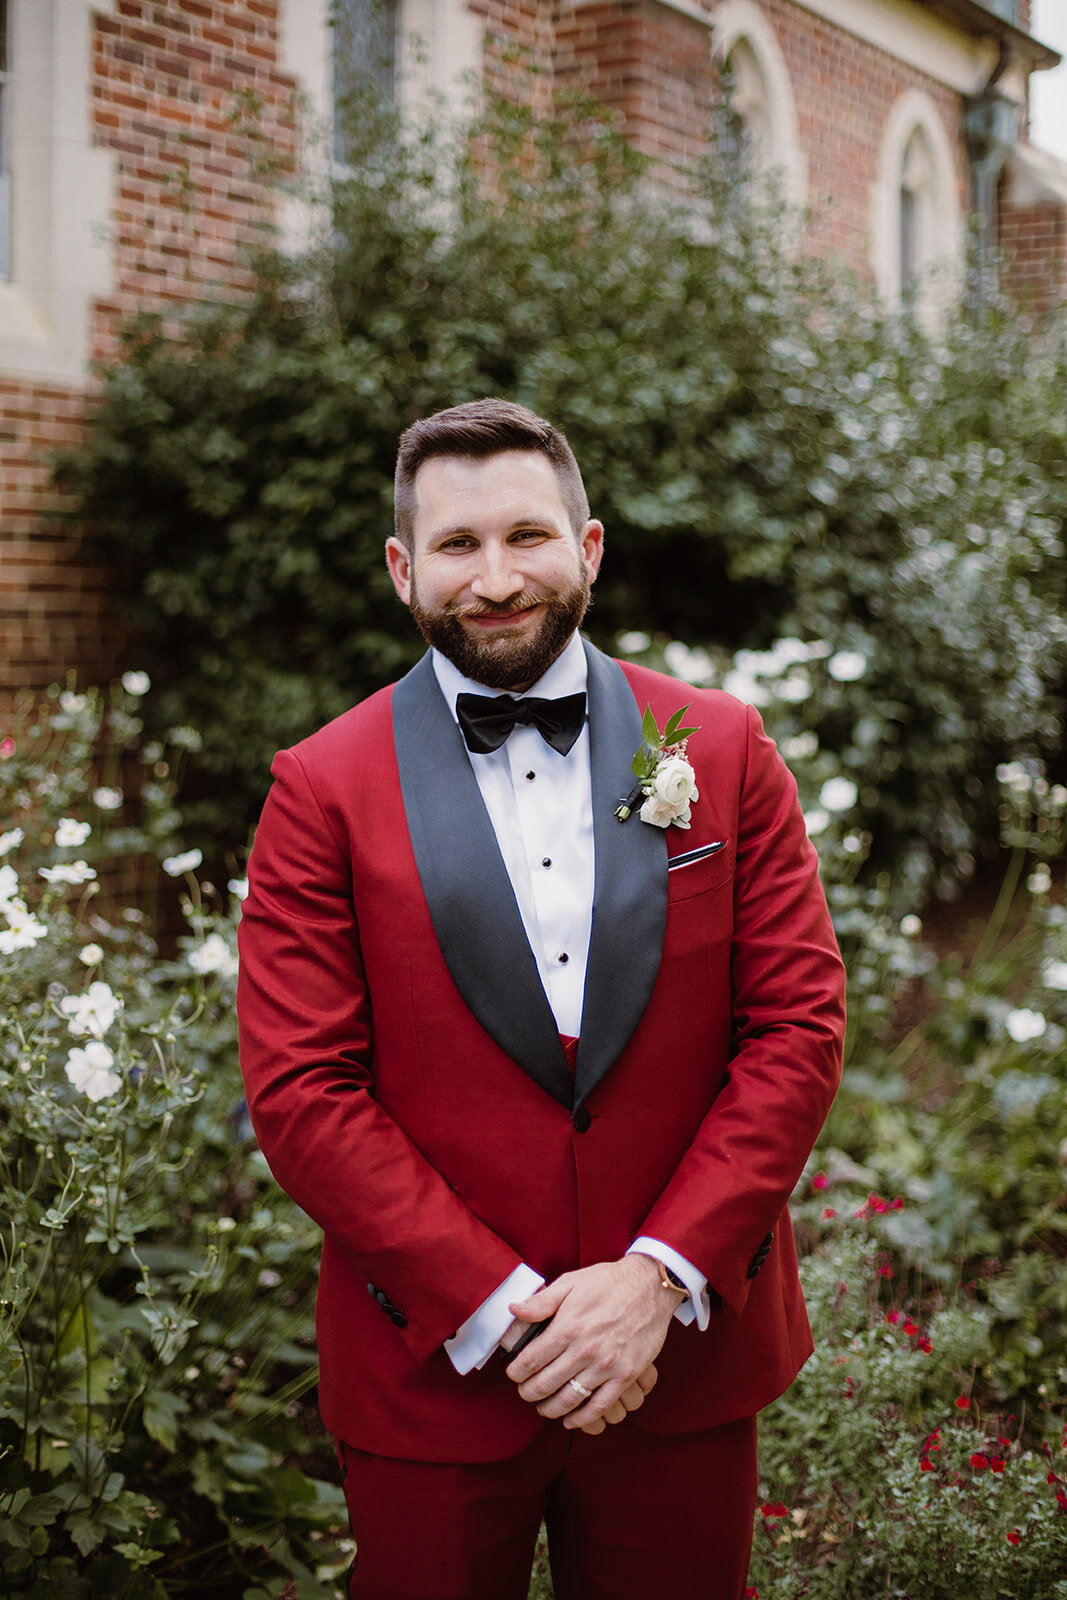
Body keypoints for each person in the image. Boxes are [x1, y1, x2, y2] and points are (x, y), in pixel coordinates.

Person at [236, 398, 846, 1600]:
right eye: (457, 546)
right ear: (405, 571)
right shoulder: (320, 786)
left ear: (589, 548)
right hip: (436, 1367)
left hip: (676, 1363)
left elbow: (793, 1029)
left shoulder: (719, 749)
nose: (497, 577)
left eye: (528, 536)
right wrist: (501, 1305)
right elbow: (303, 1092)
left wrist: (653, 1280)